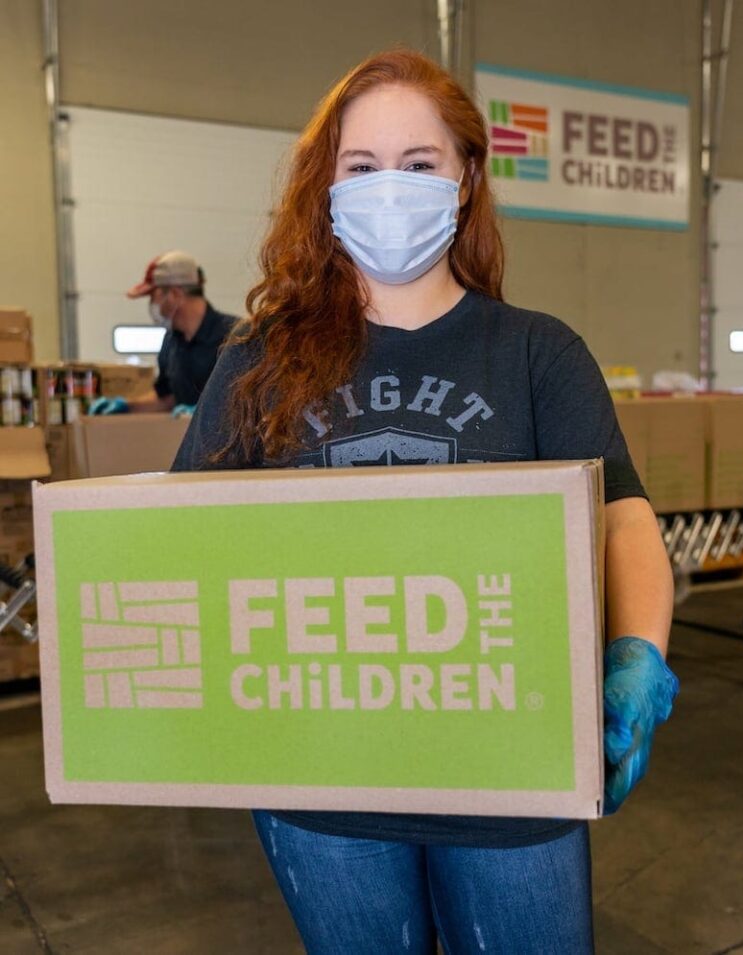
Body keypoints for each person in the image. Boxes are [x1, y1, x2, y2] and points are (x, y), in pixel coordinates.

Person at [172, 50, 679, 954]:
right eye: (362, 168)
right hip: (320, 775)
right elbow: (178, 536)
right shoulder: (260, 362)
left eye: (419, 164)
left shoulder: (537, 352)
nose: (389, 189)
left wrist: (638, 651)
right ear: (325, 189)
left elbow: (620, 514)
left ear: (466, 177)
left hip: (511, 768)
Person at [90, 250, 237, 415]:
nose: (153, 304)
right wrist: (126, 406)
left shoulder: (235, 337)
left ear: (174, 294)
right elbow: (167, 398)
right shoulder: (170, 342)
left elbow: (249, 402)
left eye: (154, 296)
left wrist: (207, 414)